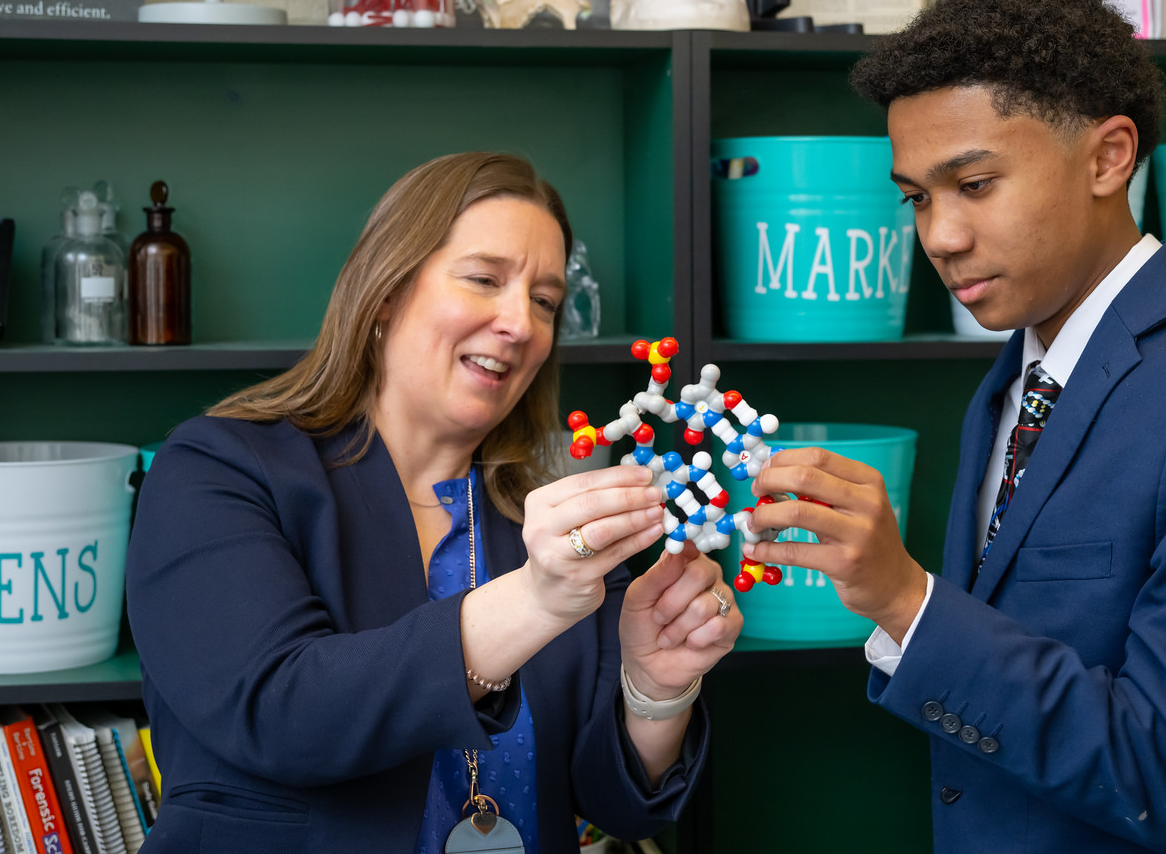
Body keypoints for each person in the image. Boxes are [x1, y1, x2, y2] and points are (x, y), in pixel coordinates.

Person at [742, 0, 1166, 853]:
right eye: (918, 196)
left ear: (1109, 157)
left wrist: (907, 599)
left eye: (976, 183)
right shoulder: (1012, 381)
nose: (939, 236)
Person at [127, 152, 741, 853]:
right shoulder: (218, 469)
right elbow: (284, 714)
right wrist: (537, 601)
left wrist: (654, 691)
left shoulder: (542, 521)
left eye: (544, 301)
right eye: (484, 279)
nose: (521, 323)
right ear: (386, 293)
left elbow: (617, 805)